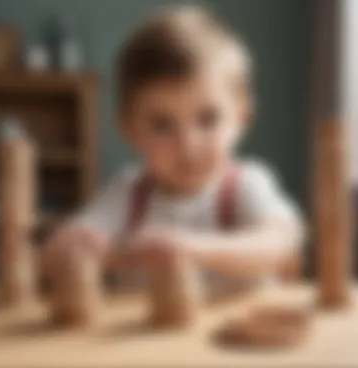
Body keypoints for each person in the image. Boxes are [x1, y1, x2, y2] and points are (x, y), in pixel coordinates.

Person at [44, 6, 305, 294]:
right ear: (129, 129)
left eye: (207, 119)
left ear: (241, 117)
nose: (187, 143)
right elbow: (62, 249)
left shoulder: (245, 185)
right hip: (142, 340)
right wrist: (76, 246)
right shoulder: (129, 193)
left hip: (233, 336)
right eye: (162, 125)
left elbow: (281, 243)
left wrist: (190, 248)